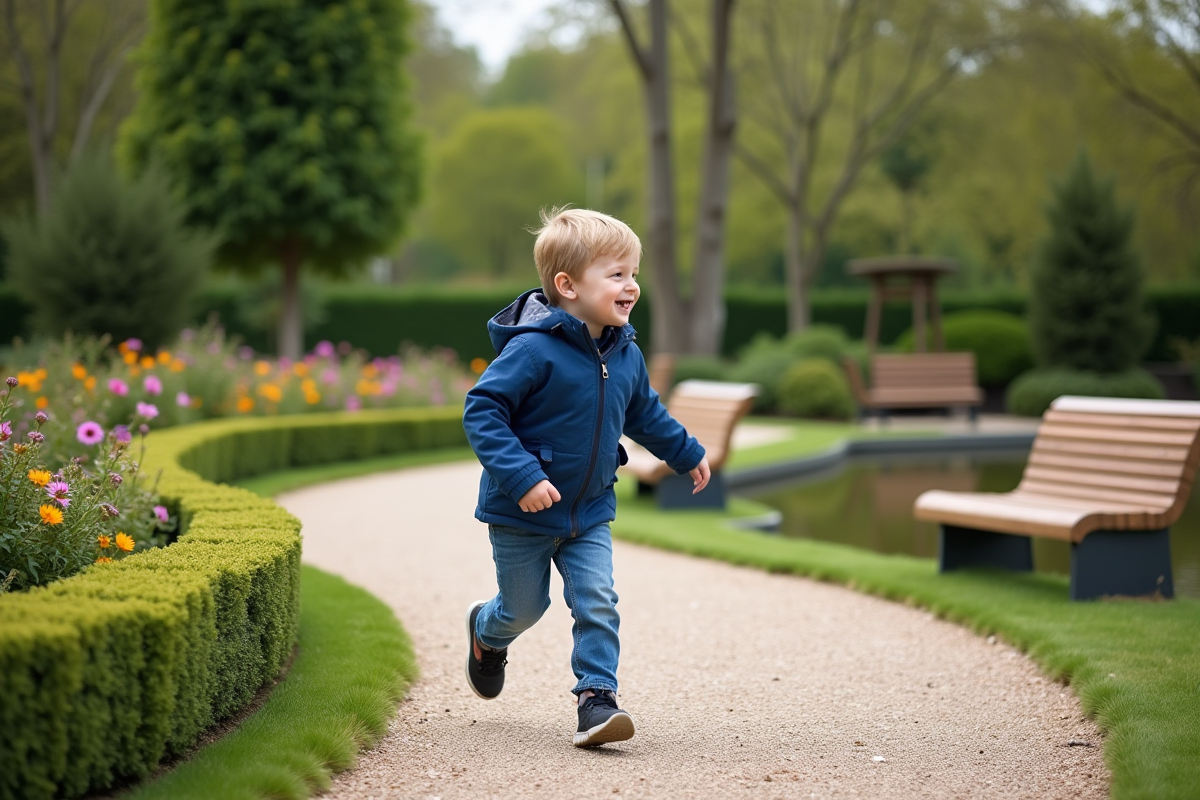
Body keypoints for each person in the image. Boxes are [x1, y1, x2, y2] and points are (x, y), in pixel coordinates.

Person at [461, 207, 711, 747]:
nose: (631, 286)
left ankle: (596, 700)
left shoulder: (626, 354)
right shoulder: (532, 350)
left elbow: (645, 414)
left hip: (590, 510)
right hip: (522, 511)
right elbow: (482, 411)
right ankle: (486, 631)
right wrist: (523, 476)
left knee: (597, 598)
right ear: (567, 285)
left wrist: (686, 452)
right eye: (616, 275)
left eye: (634, 274)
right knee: (525, 609)